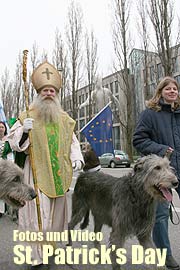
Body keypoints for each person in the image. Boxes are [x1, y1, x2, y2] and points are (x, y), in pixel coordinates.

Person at [8, 61, 84, 268]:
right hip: (36, 175)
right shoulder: (27, 116)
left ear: (56, 94)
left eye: (52, 90)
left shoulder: (65, 119)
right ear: (38, 93)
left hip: (58, 175)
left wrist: (77, 158)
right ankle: (35, 256)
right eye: (45, 90)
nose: (49, 93)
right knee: (37, 216)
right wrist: (24, 130)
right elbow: (14, 144)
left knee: (54, 216)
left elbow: (73, 141)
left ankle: (48, 247)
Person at [133, 76, 180, 270]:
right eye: (167, 89)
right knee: (160, 216)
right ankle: (164, 255)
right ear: (160, 92)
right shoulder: (150, 114)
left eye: (175, 89)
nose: (172, 91)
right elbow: (138, 140)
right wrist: (162, 150)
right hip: (161, 175)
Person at [0, 121, 12, 218]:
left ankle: (1, 210)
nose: (0, 129)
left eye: (2, 127)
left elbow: (10, 156)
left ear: (5, 129)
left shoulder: (8, 141)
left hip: (3, 168)